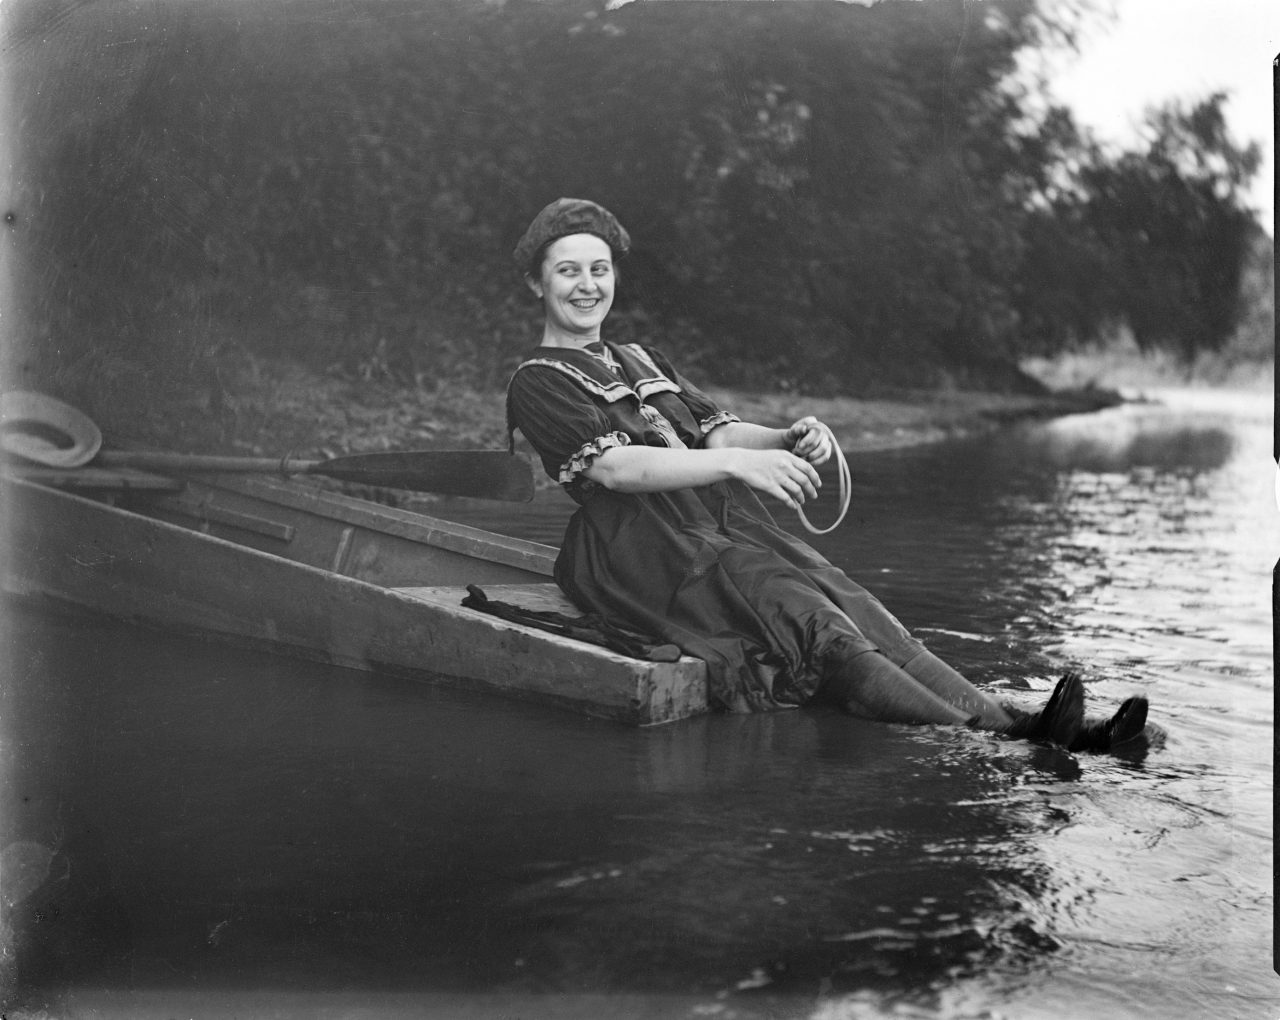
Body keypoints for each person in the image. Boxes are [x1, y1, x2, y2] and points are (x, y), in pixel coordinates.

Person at [504, 197, 1154, 753]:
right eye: (568, 271)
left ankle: (1045, 729)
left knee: (861, 610)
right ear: (538, 283)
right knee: (812, 625)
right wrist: (736, 463)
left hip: (718, 529)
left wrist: (784, 437)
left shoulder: (641, 356)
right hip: (641, 551)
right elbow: (617, 468)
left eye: (598, 268)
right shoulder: (539, 379)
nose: (586, 284)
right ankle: (989, 746)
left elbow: (719, 431)